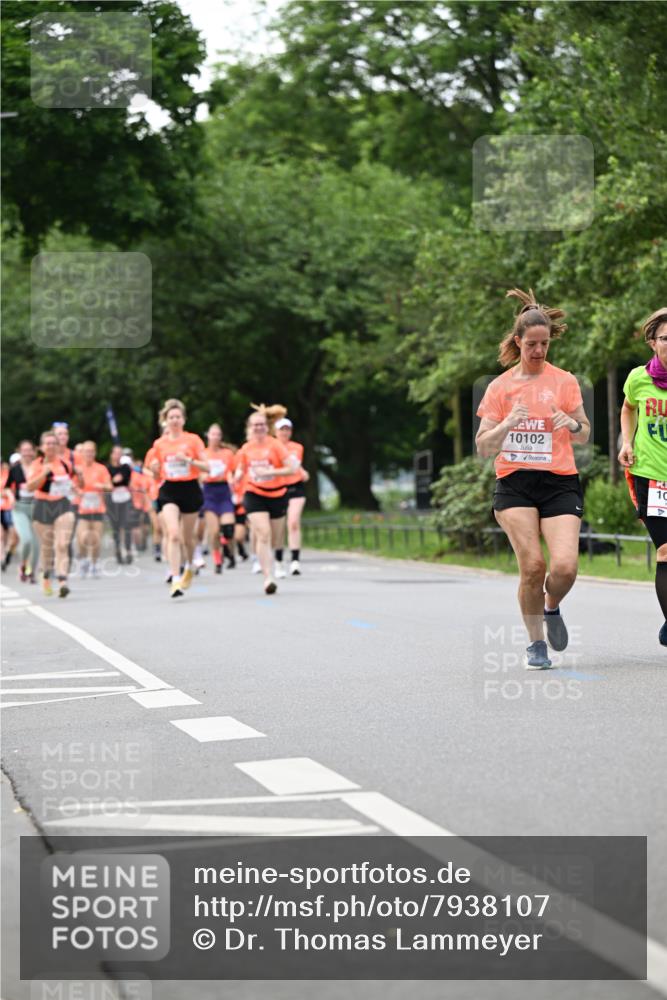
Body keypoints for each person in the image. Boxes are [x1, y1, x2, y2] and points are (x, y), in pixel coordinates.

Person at [476, 288, 591, 669]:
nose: (539, 351)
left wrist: (571, 422)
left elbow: (584, 433)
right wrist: (508, 422)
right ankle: (535, 644)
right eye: (532, 344)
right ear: (517, 342)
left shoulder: (565, 381)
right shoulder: (500, 387)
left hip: (559, 480)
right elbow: (483, 446)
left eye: (544, 343)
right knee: (533, 566)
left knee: (564, 568)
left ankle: (552, 606)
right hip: (515, 483)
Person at [619, 306, 667, 647]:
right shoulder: (638, 378)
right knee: (665, 550)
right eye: (666, 338)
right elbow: (628, 408)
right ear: (653, 342)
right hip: (650, 477)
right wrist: (626, 441)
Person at [146, 398, 208, 597]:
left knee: (187, 538)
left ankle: (189, 565)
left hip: (190, 488)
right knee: (173, 533)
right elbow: (154, 472)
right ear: (166, 420)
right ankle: (175, 578)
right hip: (169, 489)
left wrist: (189, 460)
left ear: (183, 419)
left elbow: (207, 466)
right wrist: (155, 470)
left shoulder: (193, 440)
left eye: (178, 417)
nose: (174, 420)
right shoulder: (160, 444)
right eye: (171, 417)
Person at [233, 407, 298, 594]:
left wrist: (270, 472)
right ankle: (268, 577)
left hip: (277, 494)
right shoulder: (246, 449)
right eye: (255, 425)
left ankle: (276, 559)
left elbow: (290, 469)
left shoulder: (275, 445)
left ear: (266, 427)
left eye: (261, 425)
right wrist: (237, 475)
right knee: (263, 533)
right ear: (250, 428)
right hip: (254, 493)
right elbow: (240, 467)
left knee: (276, 537)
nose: (258, 428)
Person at [26, 430, 77, 597]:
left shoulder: (65, 464)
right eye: (47, 443)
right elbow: (30, 487)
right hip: (42, 505)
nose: (51, 446)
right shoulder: (36, 464)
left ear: (58, 446)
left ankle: (63, 580)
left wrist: (78, 483)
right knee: (47, 547)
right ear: (41, 447)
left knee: (62, 544)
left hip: (62, 504)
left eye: (54, 443)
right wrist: (44, 473)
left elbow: (74, 483)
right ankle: (46, 574)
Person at [274, 417, 309, 576]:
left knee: (293, 522)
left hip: (296, 487)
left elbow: (296, 464)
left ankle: (295, 560)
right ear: (276, 431)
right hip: (278, 487)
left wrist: (302, 472)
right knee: (279, 526)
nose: (285, 432)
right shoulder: (272, 447)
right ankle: (279, 560)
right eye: (282, 429)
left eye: (287, 429)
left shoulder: (297, 447)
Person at [201, 423, 236, 575]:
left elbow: (231, 471)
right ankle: (217, 559)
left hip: (223, 491)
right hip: (209, 491)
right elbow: (198, 474)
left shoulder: (227, 454)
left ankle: (229, 552)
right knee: (214, 531)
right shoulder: (202, 453)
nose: (215, 437)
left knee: (228, 529)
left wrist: (231, 479)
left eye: (218, 434)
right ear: (208, 435)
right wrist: (206, 475)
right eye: (212, 434)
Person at [75, 441, 112, 577]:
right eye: (86, 451)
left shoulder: (101, 469)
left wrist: (101, 486)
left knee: (96, 539)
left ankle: (95, 564)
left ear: (94, 453)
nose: (89, 454)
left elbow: (110, 486)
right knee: (82, 537)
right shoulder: (78, 469)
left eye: (91, 451)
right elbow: (72, 486)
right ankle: (84, 560)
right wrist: (78, 491)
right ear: (82, 453)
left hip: (97, 508)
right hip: (82, 508)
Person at [6, 440, 40, 582]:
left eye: (29, 450)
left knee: (36, 543)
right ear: (20, 452)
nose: (27, 453)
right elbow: (6, 487)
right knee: (26, 540)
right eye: (24, 450)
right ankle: (23, 565)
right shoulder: (15, 469)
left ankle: (31, 571)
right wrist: (11, 497)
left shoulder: (39, 467)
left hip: (37, 507)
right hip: (19, 507)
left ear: (33, 451)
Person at [106, 444, 133, 564]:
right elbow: (105, 484)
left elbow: (128, 481)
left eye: (119, 453)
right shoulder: (106, 469)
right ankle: (118, 550)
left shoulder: (126, 468)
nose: (117, 455)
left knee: (127, 524)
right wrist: (112, 481)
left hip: (125, 498)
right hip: (112, 499)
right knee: (115, 526)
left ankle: (128, 550)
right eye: (115, 453)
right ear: (111, 455)